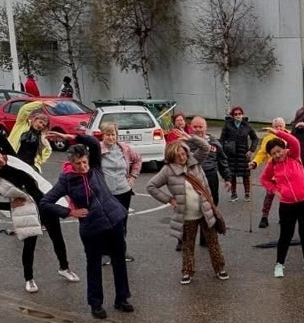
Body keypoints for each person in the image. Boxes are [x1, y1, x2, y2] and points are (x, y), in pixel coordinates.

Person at [0, 127, 80, 294]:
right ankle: (29, 279)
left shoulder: (12, 159)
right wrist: (9, 206)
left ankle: (64, 268)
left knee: (57, 237)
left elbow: (0, 138)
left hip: (44, 202)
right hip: (27, 209)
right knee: (29, 245)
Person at [40, 135, 133, 319]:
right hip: (92, 228)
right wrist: (69, 212)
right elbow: (45, 202)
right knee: (94, 265)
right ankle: (95, 303)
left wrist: (74, 137)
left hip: (114, 220)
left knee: (119, 259)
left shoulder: (96, 168)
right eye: (78, 164)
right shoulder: (66, 180)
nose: (82, 166)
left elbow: (93, 145)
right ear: (71, 164)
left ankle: (122, 298)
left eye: (84, 162)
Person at [146, 139, 228, 285]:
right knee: (188, 245)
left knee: (213, 242)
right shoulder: (168, 170)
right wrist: (169, 199)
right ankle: (187, 272)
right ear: (172, 156)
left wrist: (189, 137)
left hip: (205, 211)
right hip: (186, 215)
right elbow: (151, 186)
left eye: (184, 154)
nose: (183, 157)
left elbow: (205, 147)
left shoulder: (194, 161)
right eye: (179, 155)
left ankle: (220, 268)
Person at [259, 127, 304, 277]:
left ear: (285, 149)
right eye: (273, 153)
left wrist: (277, 132)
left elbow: (294, 141)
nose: (277, 155)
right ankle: (279, 264)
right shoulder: (272, 165)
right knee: (286, 235)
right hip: (287, 204)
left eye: (279, 151)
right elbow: (264, 179)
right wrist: (275, 190)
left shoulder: (294, 156)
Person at [98, 122, 142, 260]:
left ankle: (121, 250)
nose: (111, 138)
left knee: (122, 222)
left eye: (113, 134)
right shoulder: (97, 149)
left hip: (124, 191)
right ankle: (105, 252)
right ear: (102, 135)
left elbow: (138, 160)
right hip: (106, 193)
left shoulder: (124, 148)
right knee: (106, 223)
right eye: (108, 135)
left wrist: (133, 177)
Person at [10, 100, 67, 170]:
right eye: (40, 122)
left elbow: (48, 150)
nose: (41, 126)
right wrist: (41, 104)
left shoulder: (41, 136)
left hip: (30, 166)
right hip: (14, 162)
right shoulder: (22, 124)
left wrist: (38, 162)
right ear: (35, 119)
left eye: (43, 125)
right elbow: (24, 109)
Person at [220, 106, 258, 201]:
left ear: (242, 115)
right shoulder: (228, 125)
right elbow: (222, 139)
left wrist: (251, 150)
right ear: (232, 116)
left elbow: (255, 138)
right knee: (232, 174)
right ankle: (234, 194)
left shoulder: (247, 125)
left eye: (239, 114)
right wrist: (223, 151)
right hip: (231, 154)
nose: (238, 116)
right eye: (235, 114)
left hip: (244, 153)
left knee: (246, 174)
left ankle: (247, 194)